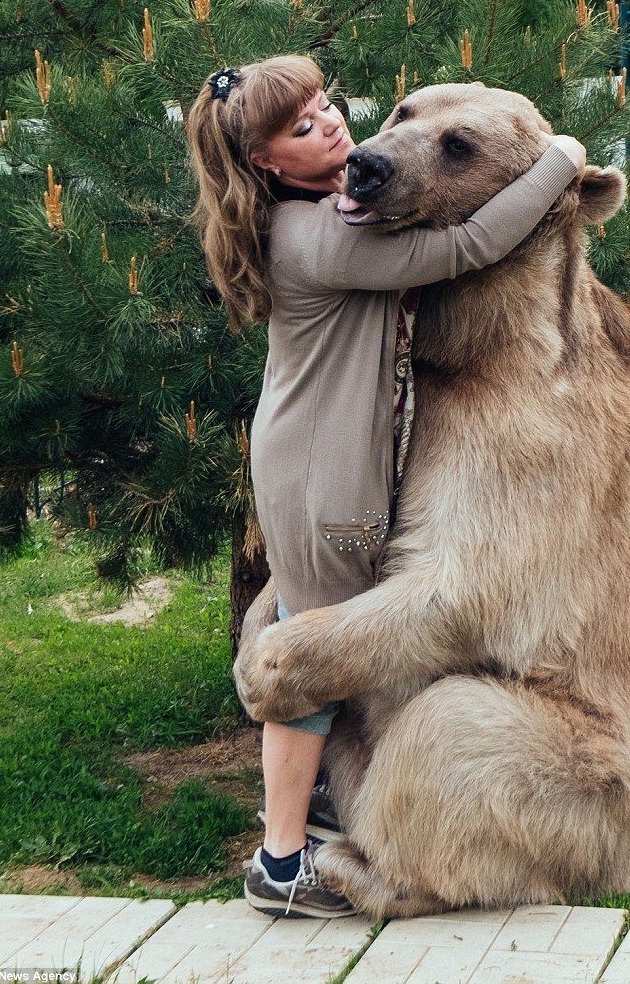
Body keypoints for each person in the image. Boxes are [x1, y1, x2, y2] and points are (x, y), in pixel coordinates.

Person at [186, 54, 585, 918]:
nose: (336, 129)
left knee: (311, 635)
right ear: (264, 163)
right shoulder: (322, 238)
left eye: (327, 108)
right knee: (305, 663)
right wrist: (562, 160)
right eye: (301, 129)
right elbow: (471, 243)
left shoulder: (321, 213)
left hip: (308, 457)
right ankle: (282, 862)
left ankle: (310, 814)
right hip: (322, 475)